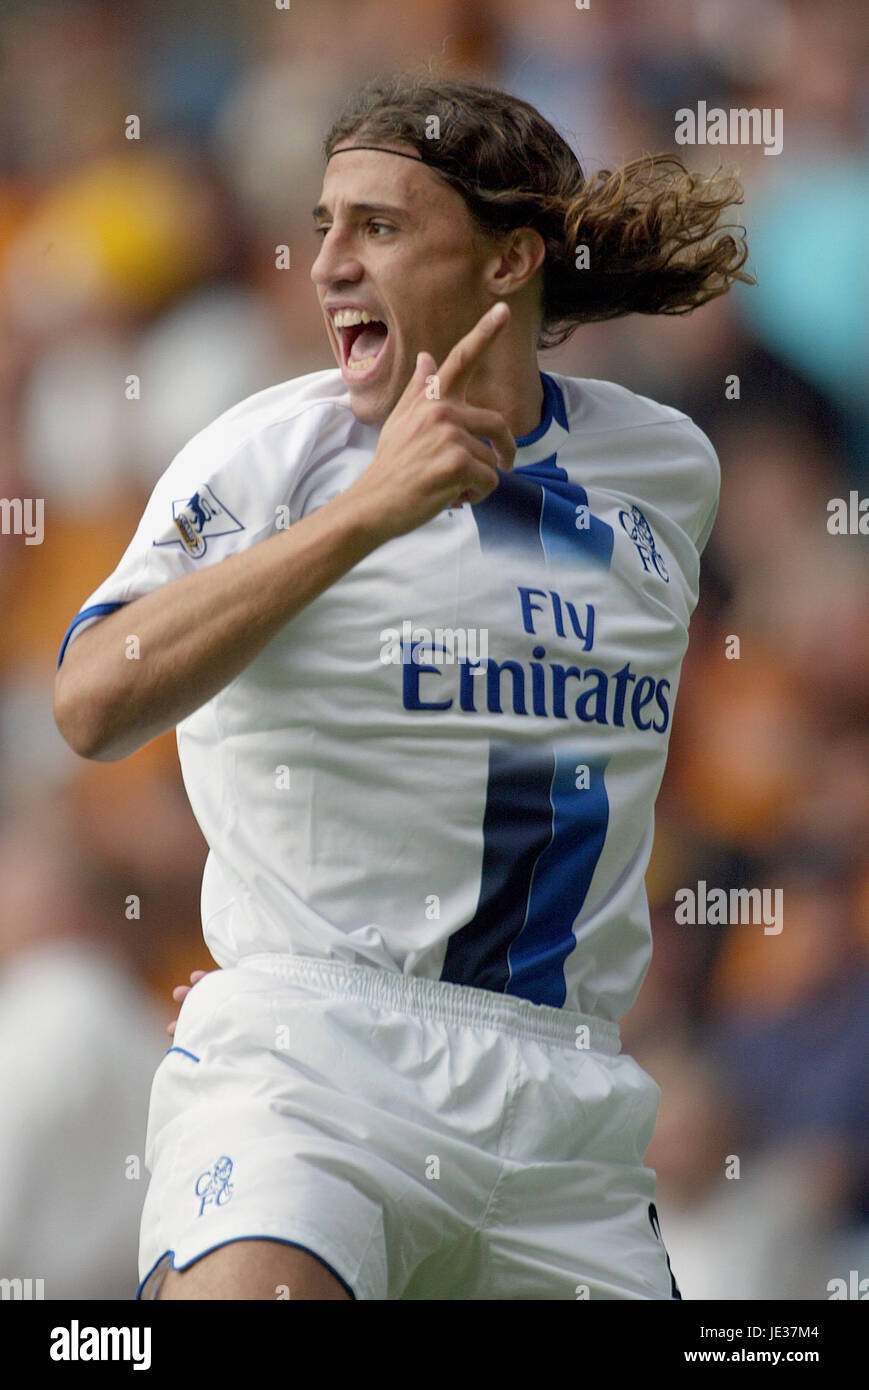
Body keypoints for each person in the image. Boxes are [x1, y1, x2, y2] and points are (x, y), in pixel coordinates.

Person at [53, 74, 752, 1301]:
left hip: (567, 1108)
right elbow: (91, 702)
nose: (326, 262)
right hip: (310, 1064)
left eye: (375, 226)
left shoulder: (665, 469)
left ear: (507, 262)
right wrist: (374, 508)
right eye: (323, 223)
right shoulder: (267, 453)